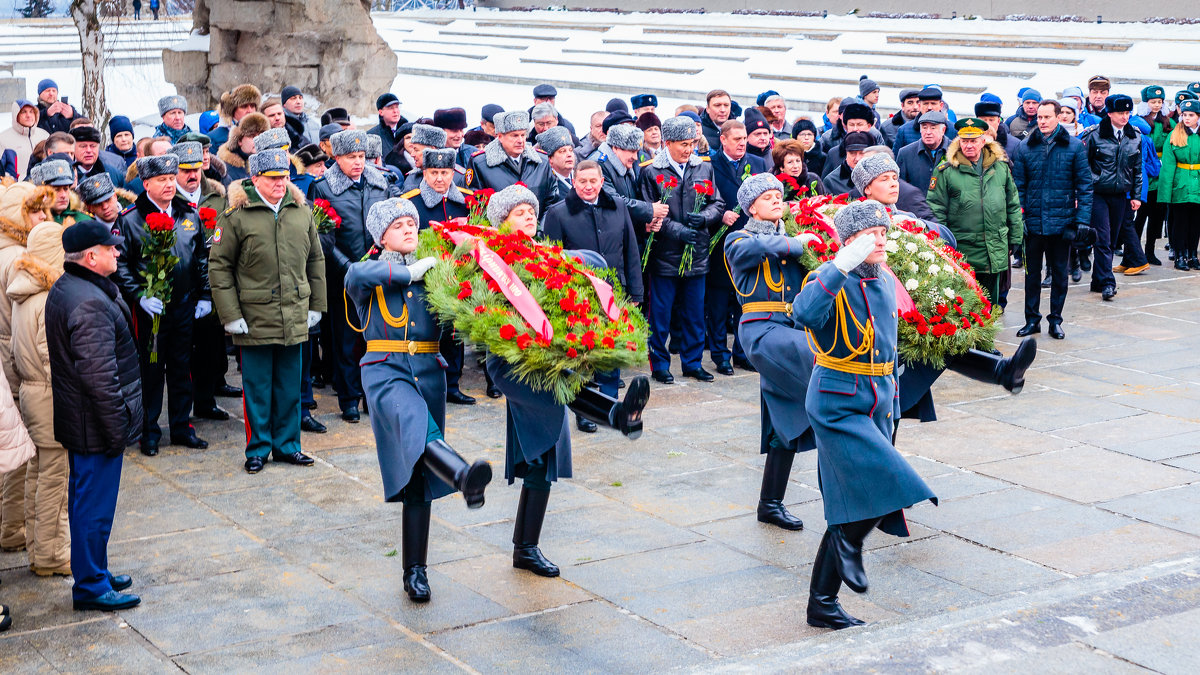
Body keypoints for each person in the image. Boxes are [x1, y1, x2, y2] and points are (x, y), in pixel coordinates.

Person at [482, 184, 649, 578]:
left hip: (548, 357)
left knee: (543, 458)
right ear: (500, 220)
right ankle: (617, 416)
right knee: (550, 421)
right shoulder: (487, 256)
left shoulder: (546, 256)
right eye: (517, 211)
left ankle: (525, 548)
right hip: (513, 360)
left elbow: (581, 263)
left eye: (530, 210)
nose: (527, 215)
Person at [794, 200, 938, 631]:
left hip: (876, 400)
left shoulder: (883, 280)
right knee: (891, 485)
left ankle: (822, 602)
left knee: (853, 503)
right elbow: (803, 313)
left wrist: (893, 405)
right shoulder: (828, 277)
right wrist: (839, 264)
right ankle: (849, 547)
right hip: (837, 403)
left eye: (883, 231)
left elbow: (892, 348)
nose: (880, 239)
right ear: (849, 242)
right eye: (869, 234)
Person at [345, 197, 492, 602]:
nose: (410, 228)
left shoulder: (436, 270)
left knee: (418, 481)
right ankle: (463, 475)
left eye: (413, 222)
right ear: (381, 235)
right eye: (398, 225)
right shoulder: (370, 273)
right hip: (385, 369)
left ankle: (416, 571)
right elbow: (357, 273)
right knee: (413, 424)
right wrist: (408, 271)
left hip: (428, 371)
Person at [210, 148, 326, 473]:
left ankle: (288, 446)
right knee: (258, 388)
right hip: (255, 315)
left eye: (285, 177)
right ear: (255, 179)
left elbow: (315, 260)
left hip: (294, 313)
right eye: (273, 178)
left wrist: (316, 304)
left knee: (290, 386)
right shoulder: (235, 216)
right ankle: (258, 448)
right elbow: (219, 267)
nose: (281, 183)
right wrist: (230, 315)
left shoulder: (301, 211)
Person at [46, 220, 143, 611]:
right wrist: (117, 427)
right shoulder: (88, 302)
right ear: (91, 257)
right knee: (93, 509)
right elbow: (99, 377)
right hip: (95, 425)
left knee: (87, 503)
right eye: (111, 249)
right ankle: (90, 585)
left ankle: (95, 570)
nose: (117, 253)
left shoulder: (78, 288)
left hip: (85, 421)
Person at [724, 174, 819, 532]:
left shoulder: (794, 232)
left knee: (785, 415)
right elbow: (750, 252)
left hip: (793, 327)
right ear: (751, 207)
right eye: (766, 197)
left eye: (778, 195)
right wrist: (796, 243)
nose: (776, 200)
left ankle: (770, 504)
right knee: (824, 365)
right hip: (762, 331)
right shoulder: (740, 238)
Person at [113, 155, 209, 456]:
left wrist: (204, 295)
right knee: (151, 371)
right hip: (150, 311)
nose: (169, 185)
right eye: (161, 180)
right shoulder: (130, 219)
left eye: (171, 178)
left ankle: (182, 426)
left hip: (183, 306)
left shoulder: (188, 215)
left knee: (182, 368)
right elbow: (122, 265)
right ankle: (149, 432)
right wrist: (139, 295)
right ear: (146, 184)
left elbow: (201, 259)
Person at [542, 160, 644, 430]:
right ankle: (585, 410)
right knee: (583, 352)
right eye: (582, 181)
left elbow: (630, 251)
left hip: (615, 291)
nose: (588, 187)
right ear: (574, 182)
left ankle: (610, 406)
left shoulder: (618, 206)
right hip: (579, 296)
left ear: (601, 182)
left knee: (610, 349)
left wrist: (636, 292)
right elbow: (551, 261)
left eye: (593, 181)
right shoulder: (558, 213)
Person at [307, 129, 394, 423]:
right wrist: (349, 266)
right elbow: (322, 236)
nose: (358, 163)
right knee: (347, 340)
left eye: (361, 156)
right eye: (350, 157)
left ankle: (373, 395)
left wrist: (381, 257)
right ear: (336, 157)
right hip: (343, 272)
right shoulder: (323, 187)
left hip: (377, 269)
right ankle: (349, 399)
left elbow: (388, 223)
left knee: (377, 339)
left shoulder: (379, 181)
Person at [638, 116, 724, 384]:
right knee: (660, 316)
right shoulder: (651, 171)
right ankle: (660, 364)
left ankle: (692, 362)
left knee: (695, 313)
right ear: (668, 143)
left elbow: (717, 203)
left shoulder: (703, 168)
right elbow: (649, 213)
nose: (689, 150)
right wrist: (678, 230)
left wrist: (706, 217)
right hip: (665, 255)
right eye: (683, 144)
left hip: (696, 254)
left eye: (692, 144)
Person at [9, 219, 71, 576]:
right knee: (54, 481)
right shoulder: (49, 298)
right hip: (49, 398)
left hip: (31, 393)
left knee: (37, 474)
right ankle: (50, 555)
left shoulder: (23, 293)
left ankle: (38, 548)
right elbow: (54, 361)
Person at [398, 147, 475, 406]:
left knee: (454, 333)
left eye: (445, 173)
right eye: (434, 173)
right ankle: (423, 382)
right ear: (424, 172)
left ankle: (452, 384)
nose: (440, 179)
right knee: (427, 332)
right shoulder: (411, 201)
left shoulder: (465, 199)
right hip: (425, 276)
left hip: (458, 275)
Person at [1013, 100, 1094, 340]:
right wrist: (1021, 216)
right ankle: (1032, 320)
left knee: (1060, 274)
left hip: (1062, 223)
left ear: (1059, 117)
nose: (1042, 121)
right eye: (1039, 117)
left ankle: (1055, 320)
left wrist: (1082, 220)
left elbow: (1085, 186)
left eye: (1047, 117)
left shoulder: (1074, 147)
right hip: (1035, 224)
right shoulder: (1026, 147)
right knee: (1031, 275)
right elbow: (1019, 186)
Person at [927, 118, 1024, 304]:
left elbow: (1012, 204)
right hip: (963, 249)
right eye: (965, 141)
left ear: (983, 141)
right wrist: (942, 243)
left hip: (994, 248)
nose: (969, 145)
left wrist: (1015, 238)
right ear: (958, 141)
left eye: (973, 140)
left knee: (992, 305)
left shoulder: (1000, 167)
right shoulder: (946, 171)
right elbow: (936, 210)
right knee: (965, 307)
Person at [1079, 94, 1147, 300]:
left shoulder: (1135, 135)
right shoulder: (1094, 134)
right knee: (1103, 239)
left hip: (1120, 194)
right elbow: (1083, 166)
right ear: (1109, 114)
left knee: (1112, 240)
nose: (1125, 117)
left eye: (1127, 113)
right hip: (1098, 193)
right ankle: (1109, 283)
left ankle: (1098, 280)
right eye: (1120, 113)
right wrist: (1086, 188)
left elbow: (1137, 168)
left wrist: (1136, 196)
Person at [707, 119, 759, 375]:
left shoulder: (757, 164)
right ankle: (720, 355)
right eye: (736, 139)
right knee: (718, 305)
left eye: (744, 138)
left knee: (744, 303)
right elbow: (705, 199)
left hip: (749, 242)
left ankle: (742, 352)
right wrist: (720, 215)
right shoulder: (710, 165)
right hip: (720, 242)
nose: (742, 143)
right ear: (723, 140)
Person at [466, 110, 553, 209]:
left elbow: (551, 201)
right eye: (515, 135)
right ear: (500, 137)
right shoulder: (480, 163)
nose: (520, 140)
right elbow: (474, 204)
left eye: (523, 135)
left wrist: (538, 224)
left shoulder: (541, 161)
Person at [1159, 99, 1200, 270]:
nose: (1187, 118)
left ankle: (1192, 254)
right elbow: (1168, 167)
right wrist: (1166, 193)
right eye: (1184, 115)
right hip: (1180, 184)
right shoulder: (1175, 135)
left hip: (1197, 184)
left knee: (1195, 223)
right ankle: (1180, 254)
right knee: (1180, 222)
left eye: (1191, 115)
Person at [1136, 86, 1174, 266]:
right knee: (1140, 214)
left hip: (1161, 172)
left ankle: (1150, 251)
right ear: (1146, 103)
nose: (1157, 105)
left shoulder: (1168, 122)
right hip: (1143, 172)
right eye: (1153, 102)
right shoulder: (1139, 121)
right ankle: (1133, 250)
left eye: (1159, 102)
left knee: (1156, 216)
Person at [896, 110, 949, 193]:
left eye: (933, 128)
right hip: (915, 204)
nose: (928, 132)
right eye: (924, 128)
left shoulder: (955, 152)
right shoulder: (905, 153)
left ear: (943, 130)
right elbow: (900, 187)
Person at [891, 88, 954, 154]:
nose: (929, 107)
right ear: (919, 105)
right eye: (926, 104)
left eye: (933, 103)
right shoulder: (904, 130)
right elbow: (897, 160)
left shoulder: (953, 130)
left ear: (941, 105)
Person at [0, 100, 49, 177]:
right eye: (23, 112)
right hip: (16, 187)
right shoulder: (3, 138)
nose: (28, 115)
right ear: (16, 115)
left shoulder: (44, 135)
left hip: (43, 185)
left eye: (31, 112)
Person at [208, 83, 261, 149]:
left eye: (252, 106)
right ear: (232, 110)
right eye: (244, 106)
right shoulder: (214, 137)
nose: (249, 110)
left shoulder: (263, 133)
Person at [822, 131, 872, 196]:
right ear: (846, 154)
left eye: (862, 153)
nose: (857, 158)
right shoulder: (832, 181)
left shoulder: (880, 176)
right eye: (852, 153)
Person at [368, 93, 409, 161]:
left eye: (397, 107)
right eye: (390, 108)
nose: (395, 111)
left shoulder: (410, 131)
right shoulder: (372, 136)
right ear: (381, 112)